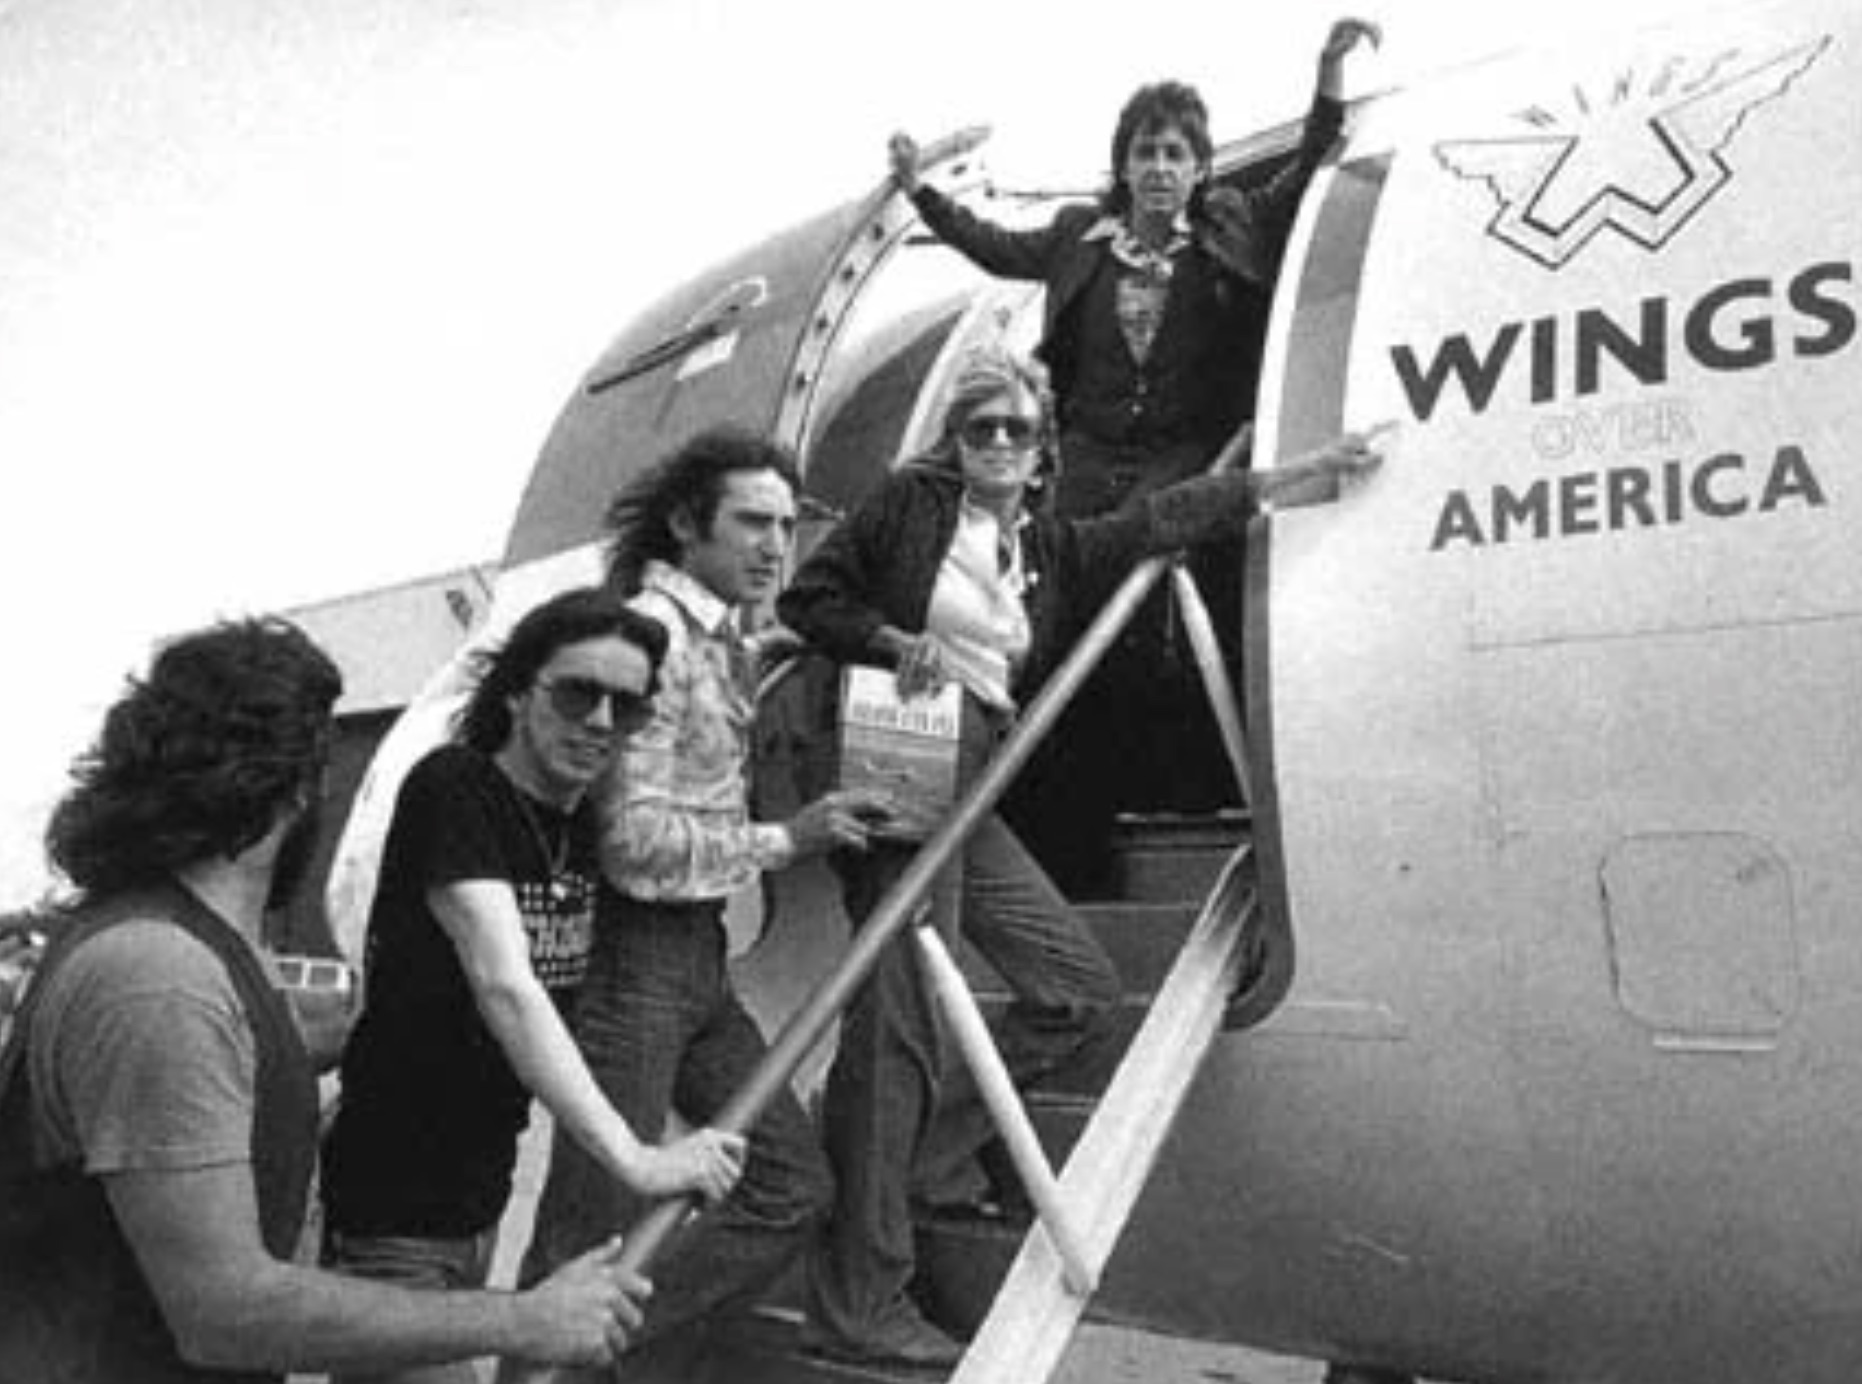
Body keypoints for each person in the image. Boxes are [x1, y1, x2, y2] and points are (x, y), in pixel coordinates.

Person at [778, 345, 1385, 1367]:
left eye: (1019, 431)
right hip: (905, 744)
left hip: (976, 771)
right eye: (983, 430)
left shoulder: (1045, 550)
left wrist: (1294, 474)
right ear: (954, 439)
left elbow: (1161, 518)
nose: (1002, 447)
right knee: (895, 1033)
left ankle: (921, 1159)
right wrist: (891, 640)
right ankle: (860, 1293)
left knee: (1074, 987)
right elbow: (810, 603)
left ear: (1041, 445)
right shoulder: (906, 509)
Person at [0, 617, 648, 1384]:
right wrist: (526, 1319)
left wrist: (321, 1044)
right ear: (298, 788)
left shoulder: (184, 954)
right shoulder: (160, 977)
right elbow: (225, 1311)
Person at [890, 17, 1382, 891]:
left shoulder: (1231, 226)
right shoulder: (1081, 238)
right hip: (1088, 451)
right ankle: (1037, 813)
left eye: (1177, 155)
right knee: (1042, 619)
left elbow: (1309, 163)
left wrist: (1328, 76)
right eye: (1147, 153)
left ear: (1199, 168)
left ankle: (1164, 782)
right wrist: (918, 194)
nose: (1160, 169)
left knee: (1148, 597)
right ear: (1124, 165)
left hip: (1178, 450)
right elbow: (992, 245)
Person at [511, 427, 887, 1381]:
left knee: (788, 1185)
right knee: (583, 1237)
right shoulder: (656, 638)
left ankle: (601, 1355)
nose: (775, 547)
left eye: (788, 527)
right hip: (634, 960)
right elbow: (633, 846)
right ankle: (555, 1359)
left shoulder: (717, 635)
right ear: (687, 524)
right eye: (753, 522)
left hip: (696, 960)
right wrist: (787, 840)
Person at [319, 586, 744, 1384]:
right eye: (577, 693)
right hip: (392, 1207)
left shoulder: (574, 827)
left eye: (627, 706)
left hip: (474, 1203)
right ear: (518, 692)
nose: (599, 723)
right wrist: (638, 1158)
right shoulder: (456, 788)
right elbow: (505, 983)